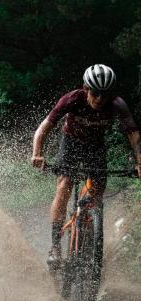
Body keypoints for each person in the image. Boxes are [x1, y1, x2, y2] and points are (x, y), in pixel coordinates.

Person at [31, 64, 141, 267]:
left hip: (95, 146)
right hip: (70, 142)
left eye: (105, 94)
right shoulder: (72, 99)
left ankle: (89, 231)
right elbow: (43, 128)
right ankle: (55, 246)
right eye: (96, 93)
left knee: (97, 194)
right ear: (86, 88)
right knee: (64, 185)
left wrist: (140, 162)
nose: (100, 99)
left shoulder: (117, 104)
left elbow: (133, 134)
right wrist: (37, 154)